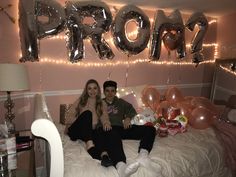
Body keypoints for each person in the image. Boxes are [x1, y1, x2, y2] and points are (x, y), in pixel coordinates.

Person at [103, 80, 156, 167]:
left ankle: (143, 154)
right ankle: (120, 164)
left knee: (150, 129)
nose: (110, 93)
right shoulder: (100, 103)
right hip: (108, 130)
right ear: (104, 92)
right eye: (107, 91)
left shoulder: (120, 102)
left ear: (115, 92)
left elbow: (131, 110)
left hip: (121, 128)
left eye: (112, 91)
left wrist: (127, 118)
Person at [65, 79, 113, 167]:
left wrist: (106, 123)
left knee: (99, 131)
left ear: (98, 90)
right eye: (89, 88)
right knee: (87, 114)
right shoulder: (81, 100)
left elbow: (104, 116)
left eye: (95, 88)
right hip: (75, 131)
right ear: (86, 90)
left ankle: (104, 157)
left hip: (88, 132)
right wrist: (81, 121)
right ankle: (89, 145)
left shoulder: (102, 103)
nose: (92, 91)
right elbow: (68, 116)